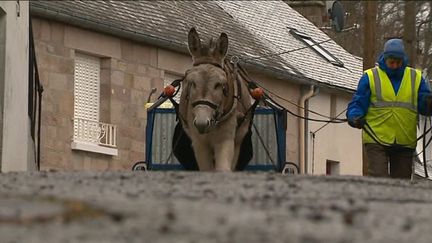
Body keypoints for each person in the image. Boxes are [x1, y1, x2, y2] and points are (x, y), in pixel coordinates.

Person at [346, 38, 432, 179]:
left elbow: (424, 105)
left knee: (401, 184)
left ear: (403, 60)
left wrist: (428, 104)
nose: (395, 65)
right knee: (379, 178)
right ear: (384, 59)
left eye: (398, 62)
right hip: (376, 137)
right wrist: (355, 117)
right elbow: (358, 102)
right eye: (391, 62)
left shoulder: (415, 77)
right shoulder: (371, 76)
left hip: (405, 140)